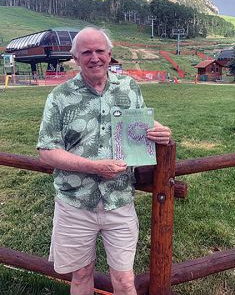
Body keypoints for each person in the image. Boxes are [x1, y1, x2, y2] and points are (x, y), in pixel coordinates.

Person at [37, 27, 171, 295]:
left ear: (110, 55)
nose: (94, 57)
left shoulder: (129, 87)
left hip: (119, 201)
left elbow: (137, 124)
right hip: (75, 203)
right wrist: (94, 167)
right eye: (86, 52)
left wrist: (160, 130)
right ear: (75, 58)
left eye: (100, 51)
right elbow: (47, 150)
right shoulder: (60, 97)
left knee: (124, 280)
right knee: (81, 275)